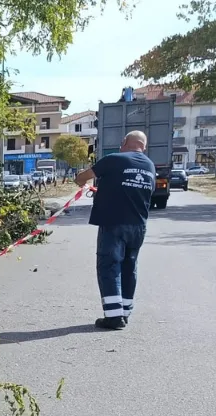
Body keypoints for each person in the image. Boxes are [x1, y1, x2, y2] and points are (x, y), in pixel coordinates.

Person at [74, 131, 157, 330]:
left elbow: (84, 177)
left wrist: (80, 180)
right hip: (138, 226)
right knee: (129, 267)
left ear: (124, 142)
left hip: (113, 223)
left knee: (109, 266)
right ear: (144, 147)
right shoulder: (149, 166)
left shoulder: (114, 159)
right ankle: (125, 313)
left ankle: (113, 316)